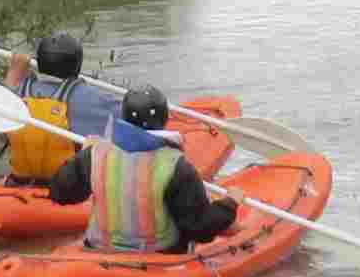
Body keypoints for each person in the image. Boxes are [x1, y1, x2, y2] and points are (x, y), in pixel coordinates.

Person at [45, 84, 237, 252]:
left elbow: (60, 193)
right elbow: (200, 230)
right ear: (164, 118)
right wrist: (229, 204)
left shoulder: (94, 154)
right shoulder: (177, 166)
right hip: (160, 255)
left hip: (99, 249)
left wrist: (82, 156)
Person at [0, 31, 115, 184]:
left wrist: (13, 74)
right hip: (69, 191)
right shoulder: (93, 99)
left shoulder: (16, 95)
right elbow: (132, 124)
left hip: (19, 184)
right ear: (77, 64)